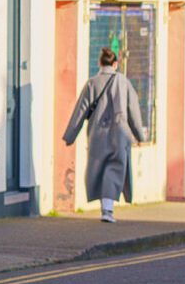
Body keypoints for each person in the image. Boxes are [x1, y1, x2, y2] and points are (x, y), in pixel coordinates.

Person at [63, 48, 148, 223]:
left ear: (99, 64)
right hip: (120, 135)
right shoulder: (124, 82)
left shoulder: (91, 84)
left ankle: (106, 208)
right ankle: (107, 210)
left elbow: (80, 111)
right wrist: (140, 136)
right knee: (114, 169)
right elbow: (133, 111)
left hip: (97, 135)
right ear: (115, 64)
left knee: (99, 170)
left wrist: (70, 136)